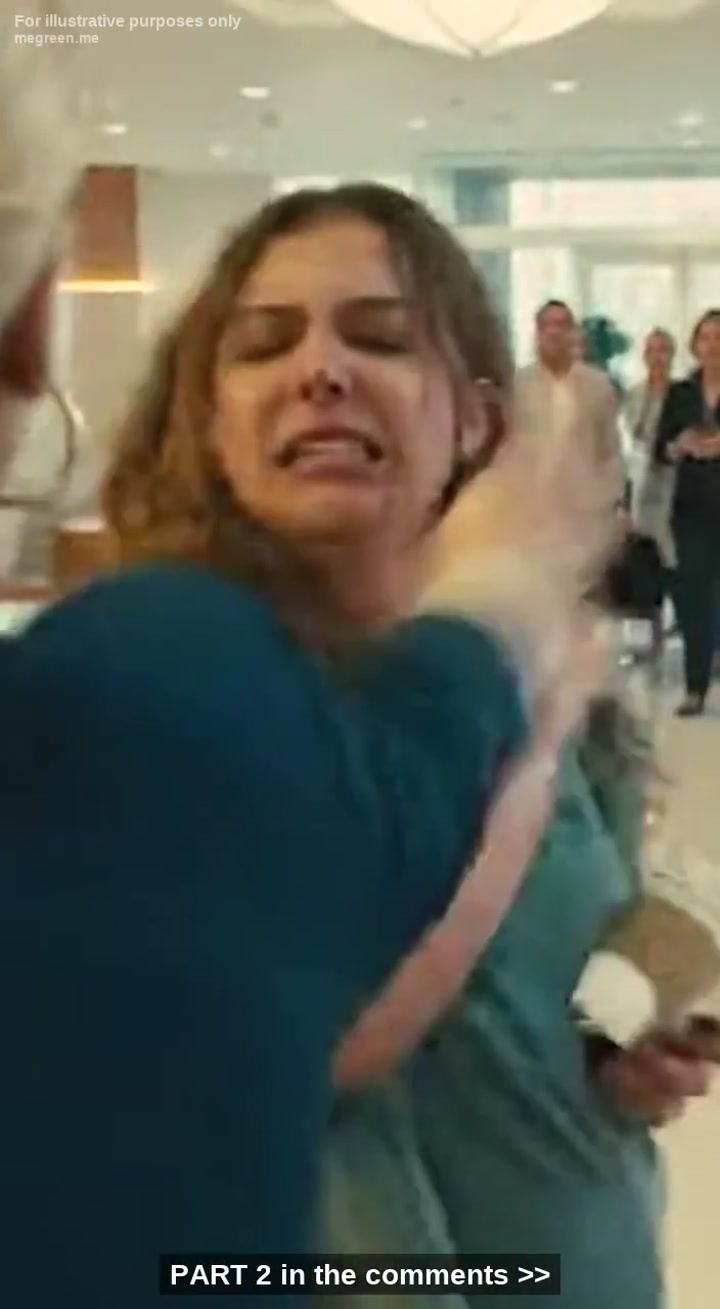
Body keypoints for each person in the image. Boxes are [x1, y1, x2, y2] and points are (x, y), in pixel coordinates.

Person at [0, 35, 607, 1306]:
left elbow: (567, 983)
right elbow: (314, 1031)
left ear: (474, 413)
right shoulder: (171, 683)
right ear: (210, 422)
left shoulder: (552, 672)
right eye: (262, 344)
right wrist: (515, 717)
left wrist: (626, 1048)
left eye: (380, 336)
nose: (319, 370)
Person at [655, 309, 720, 717]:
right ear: (695, 346)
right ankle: (695, 687)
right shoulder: (680, 392)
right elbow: (660, 449)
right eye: (706, 338)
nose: (713, 346)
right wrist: (679, 446)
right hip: (691, 510)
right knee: (694, 596)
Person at [515, 299, 625, 503]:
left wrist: (612, 499)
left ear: (575, 333)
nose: (553, 333)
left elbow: (610, 451)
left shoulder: (598, 385)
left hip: (585, 503)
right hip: (531, 503)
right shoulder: (518, 386)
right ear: (537, 334)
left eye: (561, 325)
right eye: (546, 325)